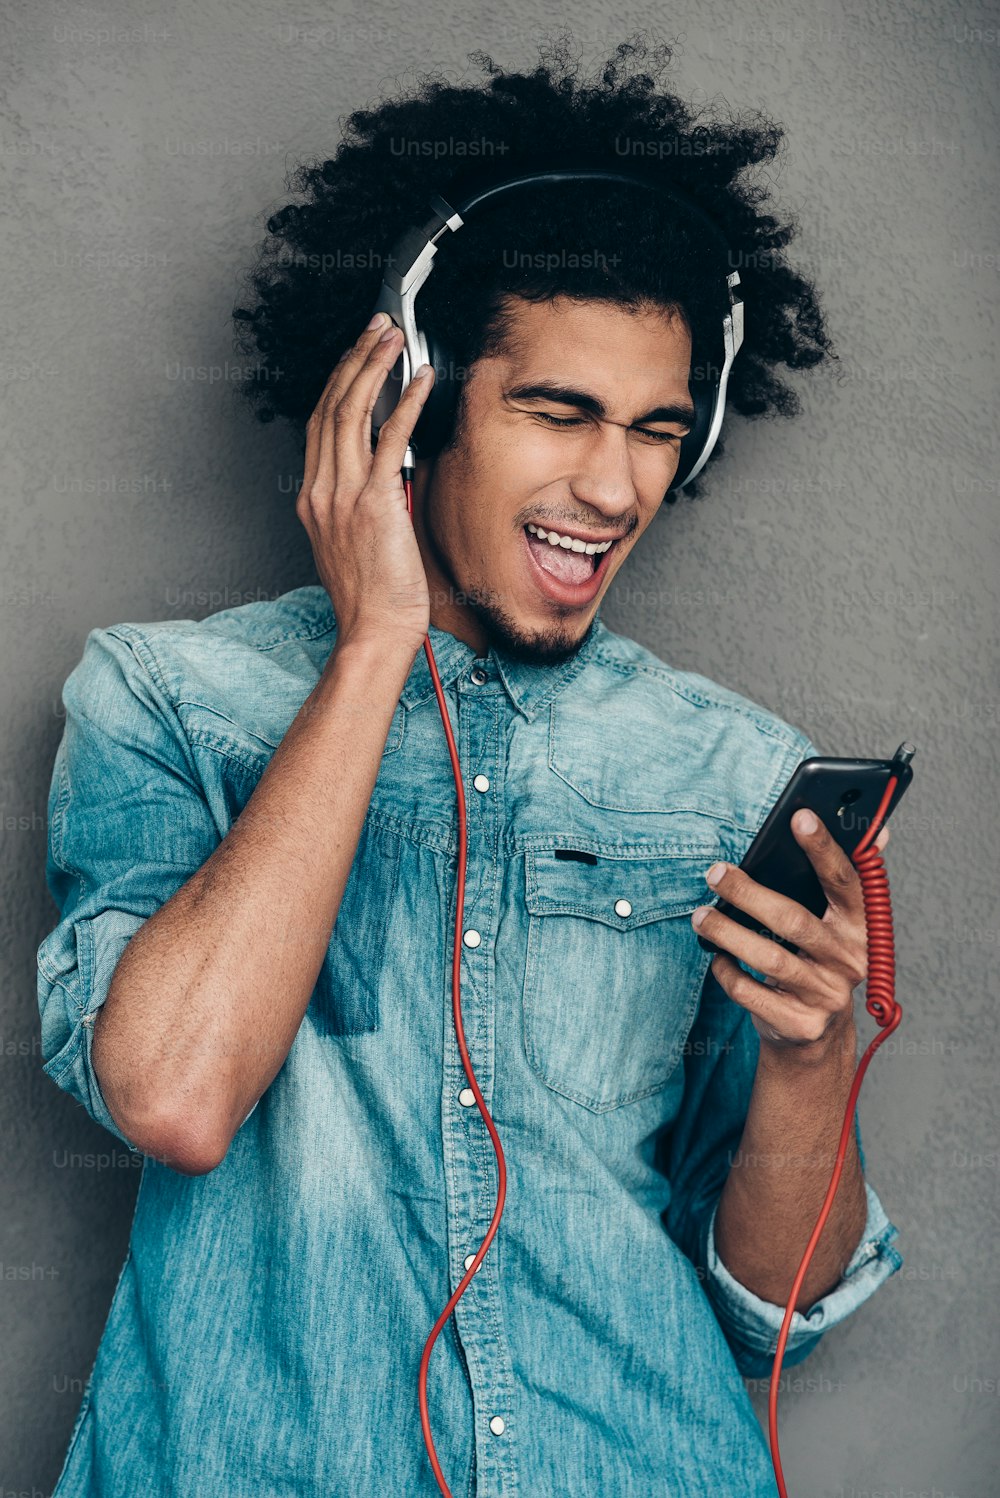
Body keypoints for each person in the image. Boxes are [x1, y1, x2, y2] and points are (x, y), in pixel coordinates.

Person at [36, 36, 903, 1497]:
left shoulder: (733, 768)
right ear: (416, 409)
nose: (616, 488)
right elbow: (174, 1094)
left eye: (656, 433)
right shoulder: (166, 701)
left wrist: (814, 1067)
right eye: (558, 412)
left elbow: (774, 1318)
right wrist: (376, 646)